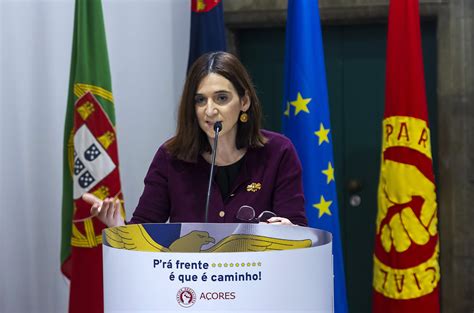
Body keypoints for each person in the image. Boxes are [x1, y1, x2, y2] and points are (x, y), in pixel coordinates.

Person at [83, 51, 307, 227]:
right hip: (190, 284)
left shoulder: (278, 153)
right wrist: (116, 224)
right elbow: (145, 234)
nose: (209, 111)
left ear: (244, 102)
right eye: (200, 100)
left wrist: (289, 231)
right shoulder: (171, 157)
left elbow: (298, 233)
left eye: (221, 98)